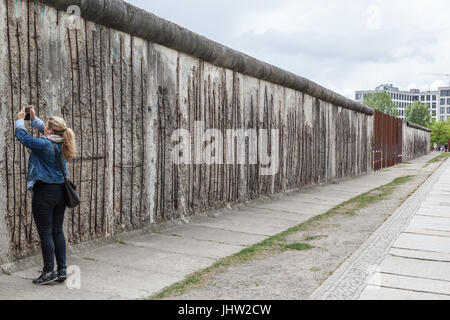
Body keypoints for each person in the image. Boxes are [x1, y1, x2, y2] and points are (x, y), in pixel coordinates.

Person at [15, 106, 76, 285]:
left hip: (45, 193)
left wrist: (20, 119)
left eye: (46, 127)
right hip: (60, 193)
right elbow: (47, 130)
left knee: (45, 233)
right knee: (57, 230)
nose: (45, 128)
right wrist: (34, 119)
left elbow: (23, 137)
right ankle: (62, 269)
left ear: (50, 130)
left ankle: (49, 272)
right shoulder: (61, 140)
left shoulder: (44, 144)